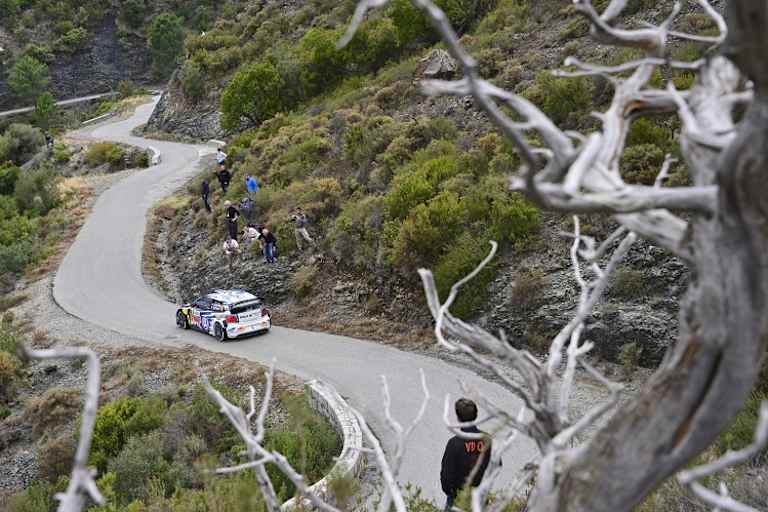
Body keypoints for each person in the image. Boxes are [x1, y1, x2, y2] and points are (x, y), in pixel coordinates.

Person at [440, 398, 493, 511]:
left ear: (458, 418)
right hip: (480, 498)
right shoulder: (487, 439)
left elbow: (446, 476)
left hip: (458, 499)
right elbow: (496, 465)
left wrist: (451, 493)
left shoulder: (454, 443)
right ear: (476, 416)